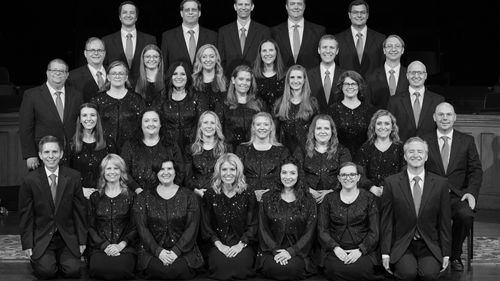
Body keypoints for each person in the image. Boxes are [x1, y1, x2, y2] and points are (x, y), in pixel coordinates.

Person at [422, 102, 483, 271]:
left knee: (465, 215)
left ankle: (454, 255)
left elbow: (476, 171)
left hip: (457, 195)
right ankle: (432, 254)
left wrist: (471, 193)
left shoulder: (467, 141)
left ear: (455, 117)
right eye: (441, 114)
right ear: (434, 117)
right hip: (430, 194)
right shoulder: (424, 140)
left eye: (449, 115)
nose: (445, 118)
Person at [381, 137, 451, 281]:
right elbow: (386, 221)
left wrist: (446, 253)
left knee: (429, 275)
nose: (416, 155)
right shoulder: (391, 183)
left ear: (426, 156)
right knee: (408, 274)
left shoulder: (440, 184)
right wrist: (385, 253)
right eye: (411, 151)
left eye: (420, 151)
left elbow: (444, 221)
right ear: (405, 156)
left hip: (429, 244)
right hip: (403, 243)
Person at [18, 136, 87, 279]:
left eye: (55, 152)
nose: (51, 156)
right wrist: (27, 243)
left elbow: (79, 211)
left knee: (72, 272)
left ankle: (59, 259)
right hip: (42, 236)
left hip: (66, 236)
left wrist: (82, 240)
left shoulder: (73, 177)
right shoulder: (30, 180)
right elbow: (26, 215)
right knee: (46, 272)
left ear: (61, 154)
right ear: (40, 155)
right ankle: (43, 259)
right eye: (47, 152)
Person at [134, 158, 203, 280]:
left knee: (177, 271)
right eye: (161, 169)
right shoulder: (143, 197)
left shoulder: (189, 195)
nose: (166, 172)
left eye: (169, 168)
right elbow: (142, 228)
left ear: (175, 172)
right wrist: (158, 251)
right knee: (159, 271)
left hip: (183, 251)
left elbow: (192, 227)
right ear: (156, 172)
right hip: (152, 250)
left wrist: (176, 251)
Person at [318, 162, 380, 281]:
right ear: (339, 178)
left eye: (352, 174)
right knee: (334, 271)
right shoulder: (329, 199)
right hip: (335, 251)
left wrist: (360, 250)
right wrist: (335, 248)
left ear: (358, 177)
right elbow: (322, 230)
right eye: (344, 175)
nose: (348, 178)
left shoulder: (368, 198)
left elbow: (374, 231)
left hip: (362, 252)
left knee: (362, 271)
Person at [257, 157, 317, 280]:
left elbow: (309, 232)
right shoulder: (267, 198)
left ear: (298, 175)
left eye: (292, 173)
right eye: (284, 172)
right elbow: (263, 228)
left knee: (291, 269)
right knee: (275, 268)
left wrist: (291, 252)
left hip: (299, 252)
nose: (288, 176)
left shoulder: (308, 200)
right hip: (272, 251)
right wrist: (276, 250)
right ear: (279, 174)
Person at [201, 153, 258, 280]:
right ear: (218, 172)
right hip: (217, 245)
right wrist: (220, 246)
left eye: (232, 169)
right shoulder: (210, 194)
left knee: (241, 267)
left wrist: (240, 245)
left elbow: (253, 225)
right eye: (224, 169)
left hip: (243, 244)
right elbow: (206, 226)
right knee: (221, 268)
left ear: (238, 171)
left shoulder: (248, 193)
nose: (228, 173)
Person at [19, 58, 83, 170]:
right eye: (54, 70)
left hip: (72, 154)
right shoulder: (32, 95)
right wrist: (30, 154)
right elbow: (25, 127)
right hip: (44, 154)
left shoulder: (76, 95)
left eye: (62, 71)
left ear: (67, 75)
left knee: (70, 186)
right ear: (47, 72)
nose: (58, 73)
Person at [87, 154, 136, 280]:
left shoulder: (131, 197)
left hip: (125, 248)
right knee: (98, 269)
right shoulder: (95, 197)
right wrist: (105, 246)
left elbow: (135, 227)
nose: (112, 172)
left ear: (122, 171)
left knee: (121, 270)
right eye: (108, 169)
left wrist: (120, 245)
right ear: (103, 172)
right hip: (100, 248)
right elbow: (90, 227)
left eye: (116, 168)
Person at [121, 109, 184, 193]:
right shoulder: (130, 145)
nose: (151, 124)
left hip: (167, 196)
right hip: (137, 195)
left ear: (160, 124)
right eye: (146, 121)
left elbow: (180, 171)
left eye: (155, 120)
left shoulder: (171, 145)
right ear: (141, 124)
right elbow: (123, 172)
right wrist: (137, 190)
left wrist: (169, 191)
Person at [294, 115, 352, 203]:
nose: (323, 131)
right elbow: (295, 172)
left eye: (326, 128)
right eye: (319, 128)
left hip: (335, 199)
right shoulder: (302, 150)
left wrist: (331, 192)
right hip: (306, 198)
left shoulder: (342, 151)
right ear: (313, 131)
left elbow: (347, 175)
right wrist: (308, 190)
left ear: (332, 131)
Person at [90, 60, 145, 152]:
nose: (117, 76)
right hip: (103, 149)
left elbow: (143, 125)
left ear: (126, 77)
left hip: (132, 150)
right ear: (108, 77)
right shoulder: (97, 100)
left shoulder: (137, 99)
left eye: (121, 73)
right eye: (114, 73)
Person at [236, 112, 290, 201]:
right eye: (258, 124)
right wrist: (251, 193)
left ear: (271, 127)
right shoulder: (242, 149)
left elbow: (286, 177)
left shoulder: (282, 151)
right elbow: (237, 177)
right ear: (253, 128)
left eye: (266, 124)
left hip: (274, 200)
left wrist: (270, 193)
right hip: (247, 199)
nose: (262, 127)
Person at [102, 1, 157, 88]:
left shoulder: (149, 39)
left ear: (136, 17)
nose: (128, 15)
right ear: (120, 17)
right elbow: (104, 67)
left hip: (143, 89)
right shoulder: (107, 41)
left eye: (132, 12)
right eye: (124, 12)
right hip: (116, 89)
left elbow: (155, 66)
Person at [387, 60, 445, 142]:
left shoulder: (438, 101)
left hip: (429, 150)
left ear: (425, 76)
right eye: (413, 73)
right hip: (401, 150)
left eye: (420, 73)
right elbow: (390, 128)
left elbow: (442, 129)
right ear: (407, 75)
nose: (416, 76)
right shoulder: (394, 101)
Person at [69, 103, 116, 199]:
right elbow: (65, 174)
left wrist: (104, 190)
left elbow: (116, 169)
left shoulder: (108, 142)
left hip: (105, 195)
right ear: (80, 120)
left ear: (97, 118)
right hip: (79, 196)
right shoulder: (71, 145)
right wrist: (80, 190)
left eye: (92, 115)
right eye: (84, 115)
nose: (89, 118)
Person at [355, 109, 405, 197]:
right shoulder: (365, 148)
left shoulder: (401, 148)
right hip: (370, 195)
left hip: (396, 194)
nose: (383, 127)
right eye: (379, 123)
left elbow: (405, 172)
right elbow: (359, 175)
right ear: (373, 126)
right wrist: (372, 188)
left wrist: (391, 189)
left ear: (392, 127)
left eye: (387, 123)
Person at [161, 61, 208, 150]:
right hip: (167, 149)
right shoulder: (161, 98)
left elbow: (203, 125)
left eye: (183, 74)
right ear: (170, 77)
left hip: (193, 148)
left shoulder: (198, 97)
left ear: (187, 77)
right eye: (175, 74)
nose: (179, 77)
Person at [328, 70, 375, 159]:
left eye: (353, 84)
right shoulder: (332, 110)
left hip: (366, 158)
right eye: (346, 84)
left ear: (359, 86)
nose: (350, 87)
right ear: (341, 86)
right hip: (339, 158)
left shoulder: (370, 110)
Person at [218, 0, 271, 76]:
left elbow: (267, 59)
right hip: (230, 80)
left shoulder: (263, 31)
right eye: (240, 4)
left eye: (246, 4)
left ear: (252, 7)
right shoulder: (224, 31)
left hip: (257, 78)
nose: (243, 7)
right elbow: (221, 59)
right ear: (235, 7)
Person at [274, 64, 319, 153]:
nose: (295, 81)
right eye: (292, 77)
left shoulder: (312, 103)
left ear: (304, 80)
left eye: (299, 77)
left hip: (307, 152)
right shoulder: (279, 103)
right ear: (288, 80)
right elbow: (274, 131)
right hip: (284, 152)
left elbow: (317, 130)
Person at [335, 0, 386, 79]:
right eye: (355, 12)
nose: (359, 15)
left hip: (373, 88)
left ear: (367, 15)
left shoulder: (381, 39)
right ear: (349, 15)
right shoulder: (338, 39)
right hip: (347, 87)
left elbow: (384, 66)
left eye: (362, 12)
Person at [161, 0, 217, 70]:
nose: (190, 12)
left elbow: (217, 64)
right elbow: (164, 66)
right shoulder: (168, 37)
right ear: (181, 13)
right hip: (177, 80)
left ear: (199, 13)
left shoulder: (213, 36)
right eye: (187, 10)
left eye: (194, 10)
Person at [219, 65, 264, 151]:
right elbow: (219, 130)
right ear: (233, 80)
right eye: (241, 79)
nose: (244, 83)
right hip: (229, 151)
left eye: (248, 80)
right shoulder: (223, 103)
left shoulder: (259, 103)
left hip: (253, 151)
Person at [186, 111, 230, 197]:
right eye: (205, 123)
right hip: (196, 195)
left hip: (220, 195)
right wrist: (195, 190)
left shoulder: (226, 149)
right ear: (200, 127)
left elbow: (230, 174)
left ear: (217, 127)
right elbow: (187, 176)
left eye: (212, 123)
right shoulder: (191, 149)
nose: (209, 126)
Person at [271, 0, 325, 69]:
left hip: (310, 78)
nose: (296, 7)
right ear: (286, 7)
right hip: (282, 78)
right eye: (292, 4)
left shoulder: (319, 31)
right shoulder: (274, 32)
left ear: (304, 6)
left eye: (299, 4)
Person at [365, 35, 409, 110]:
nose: (393, 49)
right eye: (389, 46)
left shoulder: (410, 75)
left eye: (397, 46)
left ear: (402, 50)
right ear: (384, 50)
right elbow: (367, 104)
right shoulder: (370, 76)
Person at [308, 35, 345, 114]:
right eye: (324, 47)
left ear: (337, 51)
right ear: (319, 50)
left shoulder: (346, 76)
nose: (328, 51)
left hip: (339, 123)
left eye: (332, 47)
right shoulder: (307, 75)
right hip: (315, 122)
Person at [67, 37, 107, 102]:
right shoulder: (72, 77)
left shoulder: (113, 72)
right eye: (92, 50)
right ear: (85, 53)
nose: (96, 53)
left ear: (104, 53)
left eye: (99, 50)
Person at [192, 44, 227, 111]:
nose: (208, 60)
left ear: (216, 59)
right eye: (204, 57)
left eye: (211, 56)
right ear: (200, 59)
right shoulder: (192, 83)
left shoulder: (224, 82)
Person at [252, 39, 286, 109]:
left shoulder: (286, 74)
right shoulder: (252, 75)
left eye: (271, 50)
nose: (267, 54)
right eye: (264, 51)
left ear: (276, 52)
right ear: (260, 53)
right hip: (258, 117)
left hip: (281, 116)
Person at [134, 44, 166, 108]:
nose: (151, 59)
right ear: (143, 59)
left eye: (155, 57)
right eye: (148, 56)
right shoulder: (135, 80)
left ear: (160, 59)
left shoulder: (167, 80)